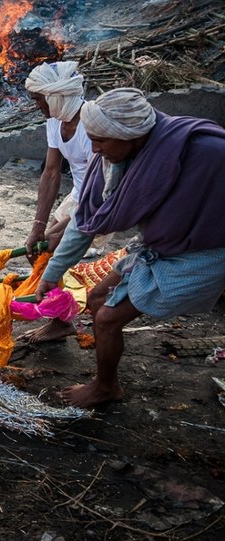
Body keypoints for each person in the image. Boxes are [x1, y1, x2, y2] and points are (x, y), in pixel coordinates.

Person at [35, 88, 225, 408]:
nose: (94, 149)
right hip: (161, 246)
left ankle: (106, 387)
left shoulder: (209, 151)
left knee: (108, 318)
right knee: (96, 298)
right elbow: (87, 222)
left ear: (129, 135)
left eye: (101, 141)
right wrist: (52, 274)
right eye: (91, 138)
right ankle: (105, 379)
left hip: (204, 252)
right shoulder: (116, 159)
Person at [21, 61, 107, 343]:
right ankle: (59, 318)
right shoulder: (55, 122)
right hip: (80, 195)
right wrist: (39, 225)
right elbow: (51, 172)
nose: (37, 106)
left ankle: (63, 320)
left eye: (38, 99)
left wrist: (62, 229)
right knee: (42, 248)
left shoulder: (92, 125)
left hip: (103, 199)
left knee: (56, 253)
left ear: (56, 95)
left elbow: (98, 189)